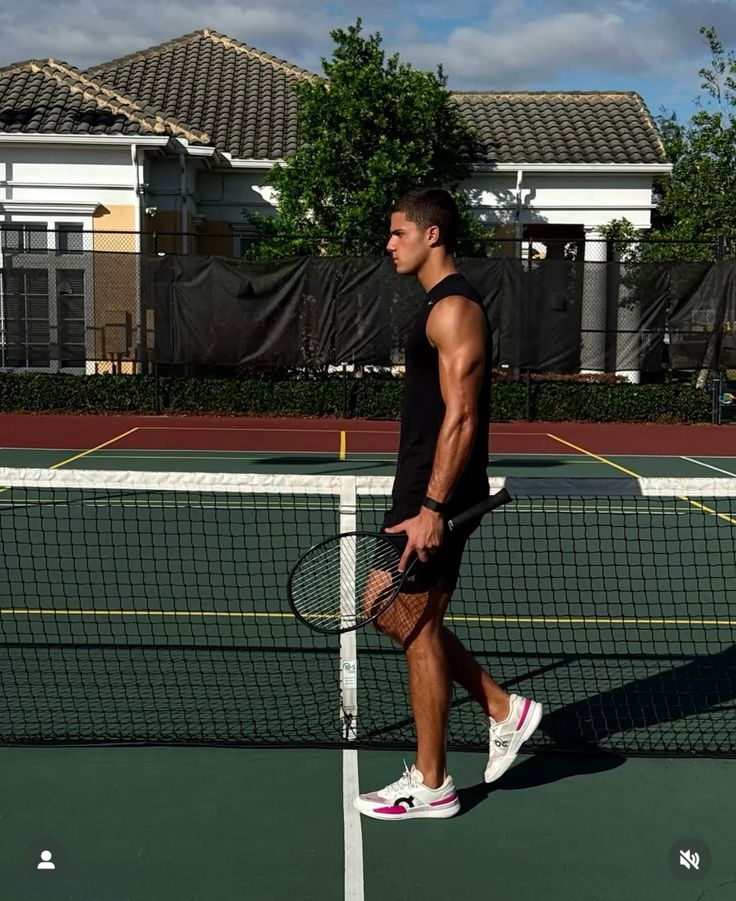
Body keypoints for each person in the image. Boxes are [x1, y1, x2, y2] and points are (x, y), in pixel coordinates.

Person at [354, 188, 542, 821]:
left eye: (398, 232)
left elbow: (462, 417)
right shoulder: (435, 305)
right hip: (419, 485)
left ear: (431, 234)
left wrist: (433, 508)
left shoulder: (456, 308)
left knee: (412, 623)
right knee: (390, 610)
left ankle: (433, 783)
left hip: (436, 494)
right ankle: (502, 708)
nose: (389, 243)